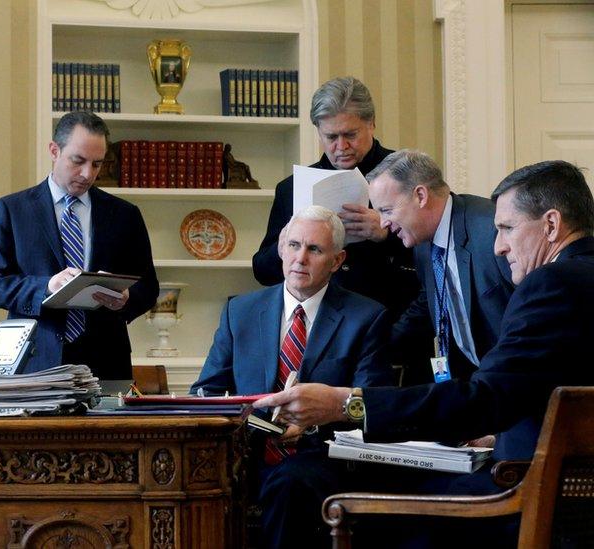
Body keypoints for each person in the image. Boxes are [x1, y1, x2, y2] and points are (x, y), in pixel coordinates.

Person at [256, 160, 594, 546]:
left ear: (550, 225)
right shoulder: (572, 275)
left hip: (531, 490)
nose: (498, 245)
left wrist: (347, 403)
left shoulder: (549, 283)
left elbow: (486, 396)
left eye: (506, 229)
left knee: (380, 522)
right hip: (543, 471)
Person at [192, 206, 395, 548]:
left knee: (288, 484)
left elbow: (372, 405)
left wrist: (314, 422)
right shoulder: (239, 311)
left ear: (336, 259)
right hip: (246, 454)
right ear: (281, 249)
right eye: (294, 245)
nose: (300, 258)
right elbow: (204, 390)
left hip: (322, 458)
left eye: (314, 249)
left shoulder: (366, 317)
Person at [0, 111, 159, 380]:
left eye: (97, 164)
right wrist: (47, 286)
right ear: (54, 150)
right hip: (33, 362)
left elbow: (149, 287)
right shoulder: (12, 210)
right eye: (78, 161)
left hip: (107, 364)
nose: (87, 174)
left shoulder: (125, 215)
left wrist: (126, 298)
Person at [252, 76, 417, 320]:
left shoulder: (408, 173)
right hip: (316, 330)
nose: (341, 146)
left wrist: (386, 234)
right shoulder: (291, 188)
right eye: (331, 137)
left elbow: (441, 254)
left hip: (392, 324)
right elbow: (262, 272)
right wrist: (285, 246)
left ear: (371, 123)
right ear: (318, 131)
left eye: (350, 134)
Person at [368, 150, 514, 382]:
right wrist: (372, 348)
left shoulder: (491, 230)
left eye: (386, 210)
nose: (383, 222)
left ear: (420, 196)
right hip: (473, 381)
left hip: (519, 383)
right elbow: (430, 302)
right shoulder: (422, 240)